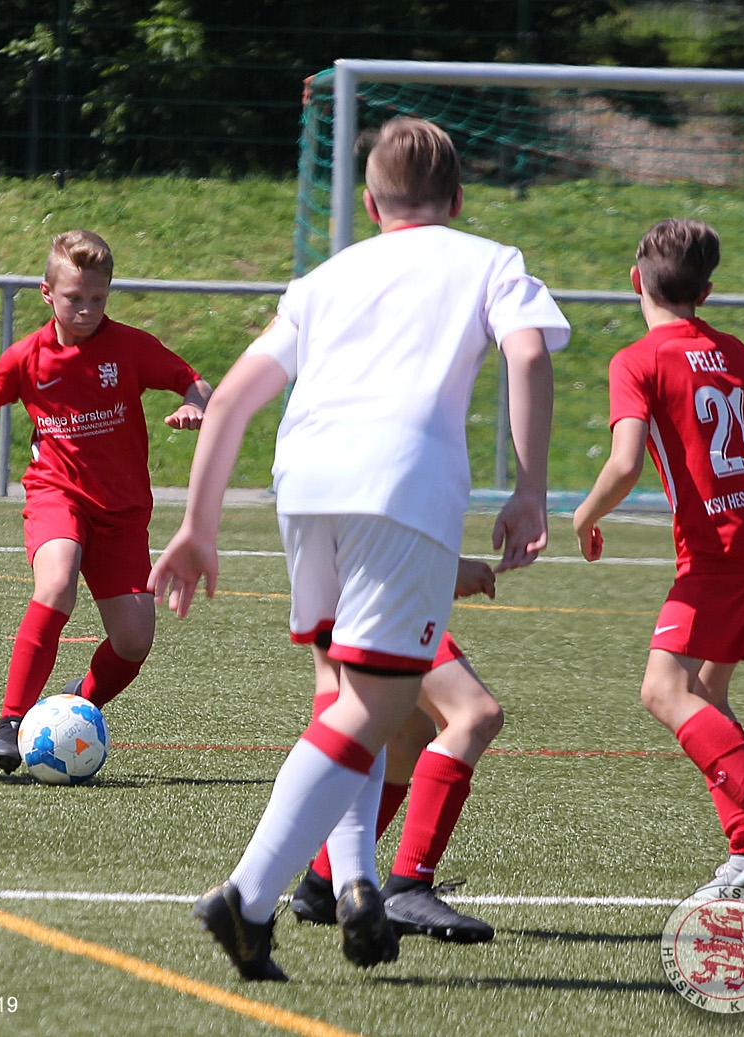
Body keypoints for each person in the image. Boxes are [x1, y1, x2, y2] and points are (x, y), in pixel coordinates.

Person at [149, 117, 567, 980]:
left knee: (343, 692)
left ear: (370, 205)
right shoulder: (490, 261)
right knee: (377, 702)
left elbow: (232, 398)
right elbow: (527, 352)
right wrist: (529, 486)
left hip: (304, 481)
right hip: (399, 484)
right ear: (457, 199)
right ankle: (247, 897)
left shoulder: (324, 277)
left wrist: (196, 525)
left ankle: (354, 883)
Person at [0, 229, 212, 772]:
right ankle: (12, 722)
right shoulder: (27, 358)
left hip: (123, 512)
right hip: (56, 493)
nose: (86, 310)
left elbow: (194, 381)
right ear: (47, 293)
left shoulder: (130, 348)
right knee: (57, 583)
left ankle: (76, 704)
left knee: (134, 641)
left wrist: (195, 405)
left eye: (97, 298)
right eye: (74, 298)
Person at [573, 218, 744, 895]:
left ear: (635, 280)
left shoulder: (636, 360)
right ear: (705, 292)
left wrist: (584, 515)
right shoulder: (735, 352)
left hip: (720, 548)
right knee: (705, 693)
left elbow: (624, 463)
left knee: (662, 689)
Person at [291, 560, 502, 945]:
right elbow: (381, 527)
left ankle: (324, 882)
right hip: (382, 594)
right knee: (475, 716)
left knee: (407, 734)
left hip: (359, 589)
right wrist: (444, 569)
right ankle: (409, 885)